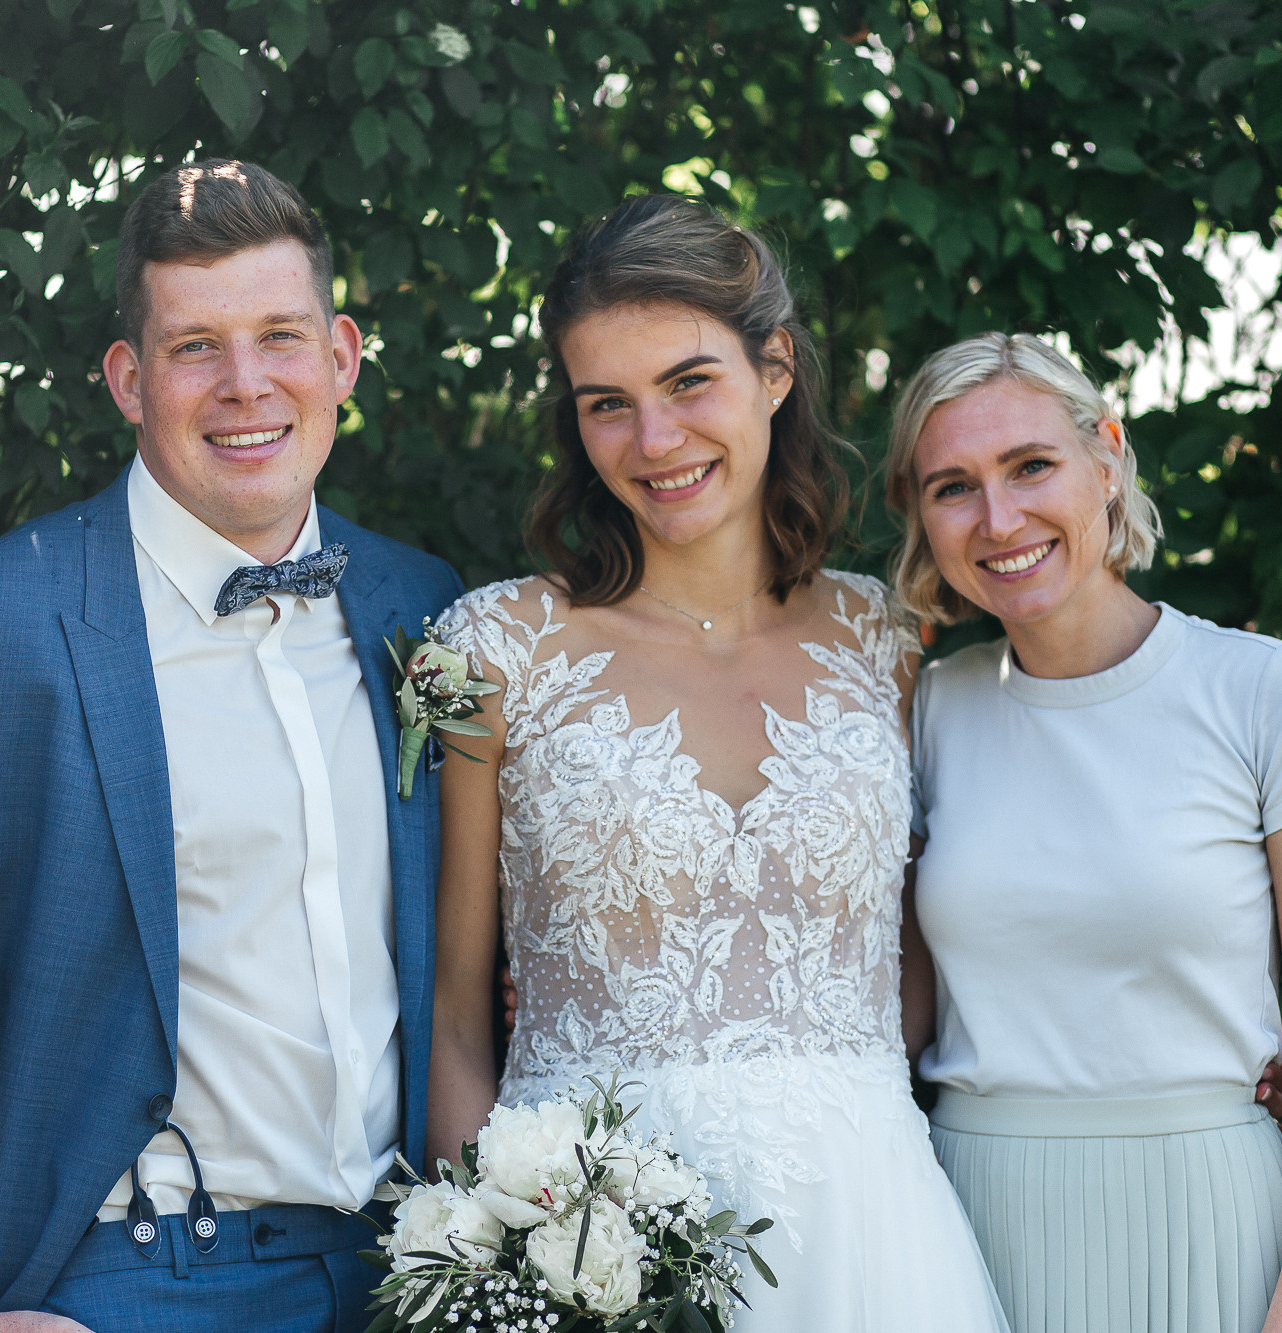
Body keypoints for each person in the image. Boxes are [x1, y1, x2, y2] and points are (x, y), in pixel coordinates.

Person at [0, 160, 462, 1333]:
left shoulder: (424, 609)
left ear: (341, 357)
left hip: (410, 1277)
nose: (245, 386)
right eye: (194, 348)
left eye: (280, 336)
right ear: (128, 379)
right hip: (125, 1278)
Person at [427, 195, 1008, 1330]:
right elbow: (454, 1018)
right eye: (608, 405)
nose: (653, 443)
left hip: (868, 1236)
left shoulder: (883, 640)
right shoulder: (493, 650)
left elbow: (937, 945)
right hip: (587, 1246)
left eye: (688, 382)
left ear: (774, 368)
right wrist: (486, 1270)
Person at [890, 332, 1282, 1333]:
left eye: (1029, 465)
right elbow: (877, 1009)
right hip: (966, 1218)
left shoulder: (1268, 693)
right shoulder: (923, 709)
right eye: (952, 486)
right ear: (920, 518)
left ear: (1107, 460)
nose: (998, 518)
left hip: (1204, 1215)